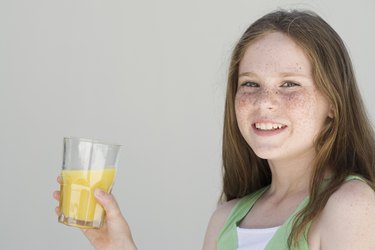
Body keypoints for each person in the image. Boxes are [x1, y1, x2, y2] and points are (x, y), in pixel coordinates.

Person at [53, 9, 375, 250]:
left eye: (290, 84)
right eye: (250, 84)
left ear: (333, 102)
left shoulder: (350, 206)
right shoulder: (226, 219)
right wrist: (120, 246)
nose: (265, 102)